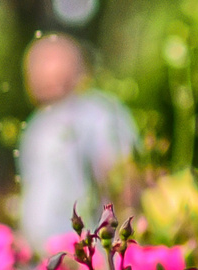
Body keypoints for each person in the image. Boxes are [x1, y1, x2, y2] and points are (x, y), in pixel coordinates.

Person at [15, 33, 135, 247]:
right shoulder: (36, 126)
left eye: (47, 62)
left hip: (90, 254)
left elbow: (122, 183)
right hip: (43, 260)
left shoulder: (100, 114)